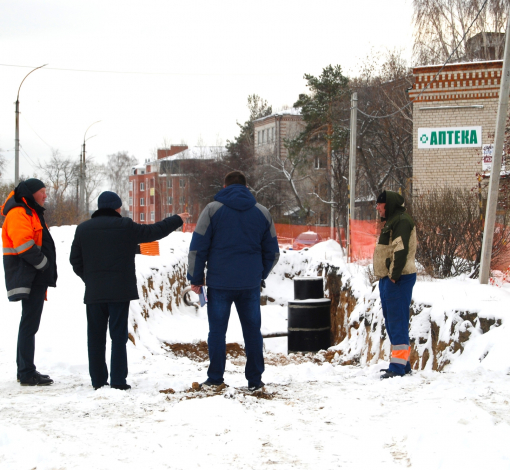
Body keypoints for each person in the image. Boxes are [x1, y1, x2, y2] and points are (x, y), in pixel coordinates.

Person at [69, 191, 189, 390]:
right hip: (119, 292)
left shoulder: (83, 229)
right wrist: (176, 219)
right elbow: (154, 231)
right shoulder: (125, 226)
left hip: (95, 293)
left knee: (95, 338)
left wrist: (90, 279)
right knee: (118, 337)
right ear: (117, 208)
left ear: (99, 207)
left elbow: (75, 260)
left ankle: (98, 381)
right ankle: (117, 381)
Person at [187, 171, 279, 391]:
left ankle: (216, 378)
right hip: (249, 285)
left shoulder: (212, 210)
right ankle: (255, 381)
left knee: (217, 332)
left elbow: (198, 247)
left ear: (225, 186)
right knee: (252, 332)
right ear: (247, 188)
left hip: (219, 284)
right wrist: (259, 274)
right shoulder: (262, 212)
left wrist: (196, 278)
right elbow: (273, 253)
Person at [1, 179, 57, 386]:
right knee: (29, 324)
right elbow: (23, 245)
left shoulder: (30, 211)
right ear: (32, 194)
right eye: (42, 191)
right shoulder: (19, 213)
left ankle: (25, 369)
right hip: (30, 274)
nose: (45, 195)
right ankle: (26, 372)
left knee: (29, 323)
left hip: (34, 275)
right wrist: (44, 264)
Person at [373, 190, 417, 379]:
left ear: (387, 204)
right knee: (392, 322)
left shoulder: (401, 221)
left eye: (379, 204)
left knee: (397, 321)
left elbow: (400, 249)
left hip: (398, 279)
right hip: (390, 279)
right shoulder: (393, 220)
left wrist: (393, 275)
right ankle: (402, 364)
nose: (377, 208)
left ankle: (398, 368)